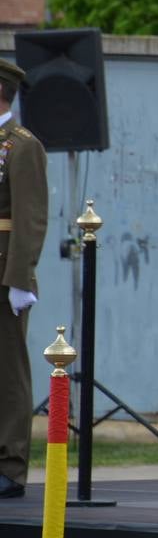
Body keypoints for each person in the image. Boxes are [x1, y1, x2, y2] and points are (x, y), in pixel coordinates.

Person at [0, 59, 47, 500]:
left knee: (9, 372)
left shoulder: (21, 146)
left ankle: (10, 466)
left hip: (3, 272)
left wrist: (19, 279)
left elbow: (29, 218)